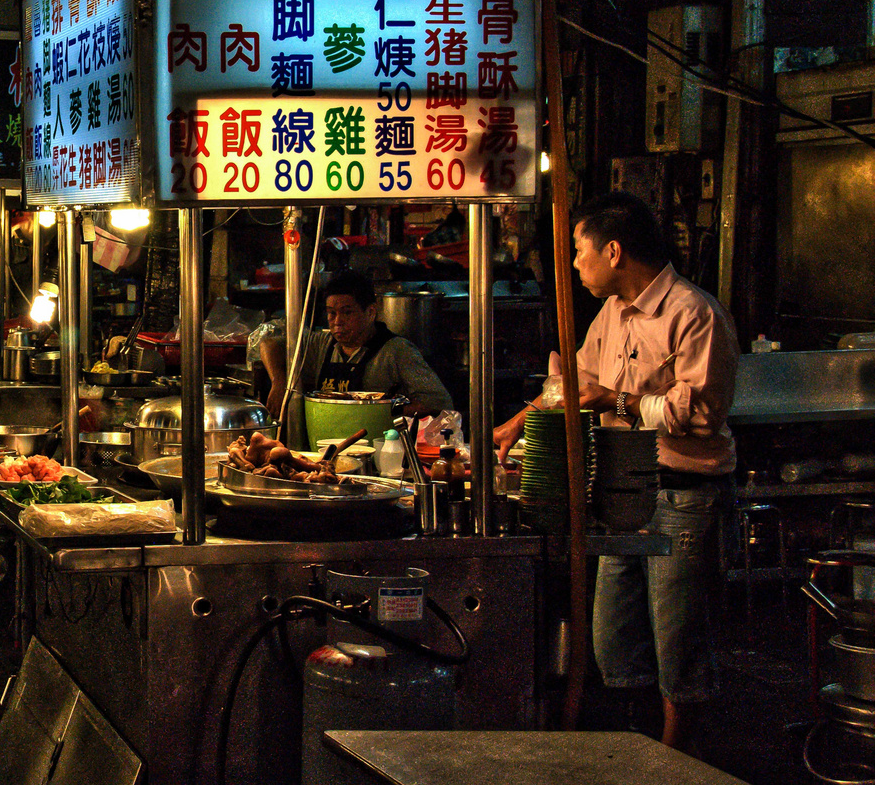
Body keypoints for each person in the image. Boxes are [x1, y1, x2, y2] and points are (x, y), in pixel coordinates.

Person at [492, 191, 739, 750]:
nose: (575, 265)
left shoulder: (693, 314)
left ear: (613, 250)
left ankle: (679, 772)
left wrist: (618, 402)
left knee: (678, 641)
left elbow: (699, 414)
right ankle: (635, 747)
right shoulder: (612, 314)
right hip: (621, 493)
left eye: (580, 252)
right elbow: (574, 385)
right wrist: (513, 426)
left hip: (684, 494)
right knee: (615, 639)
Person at [260, 269, 452, 423]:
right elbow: (270, 345)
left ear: (370, 312)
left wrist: (384, 414)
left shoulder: (397, 351)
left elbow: (439, 402)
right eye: (331, 313)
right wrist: (279, 381)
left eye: (346, 313)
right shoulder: (322, 344)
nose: (337, 322)